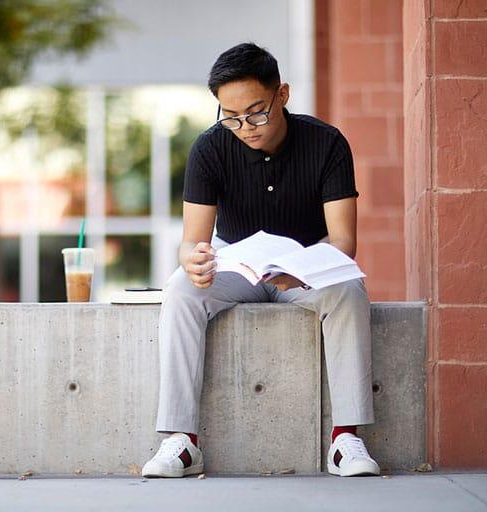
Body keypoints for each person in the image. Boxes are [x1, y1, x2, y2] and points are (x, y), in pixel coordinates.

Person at [141, 42, 379, 478]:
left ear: (281, 94)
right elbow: (191, 242)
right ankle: (181, 440)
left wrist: (301, 270)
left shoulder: (327, 143)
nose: (245, 127)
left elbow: (344, 241)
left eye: (256, 113)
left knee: (348, 289)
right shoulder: (209, 149)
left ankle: (346, 439)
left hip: (308, 266)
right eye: (230, 116)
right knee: (180, 287)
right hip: (235, 265)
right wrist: (193, 259)